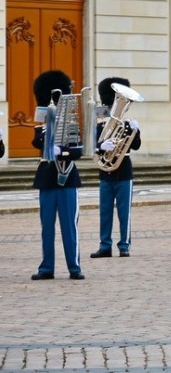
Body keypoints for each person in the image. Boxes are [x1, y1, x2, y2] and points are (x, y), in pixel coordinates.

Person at [31, 70, 85, 280]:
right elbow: (36, 142)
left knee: (69, 226)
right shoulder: (41, 128)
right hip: (47, 178)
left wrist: (60, 151)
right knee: (47, 228)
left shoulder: (71, 126)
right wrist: (48, 134)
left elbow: (77, 152)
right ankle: (46, 268)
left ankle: (74, 266)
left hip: (67, 177)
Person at [90, 77, 142, 259]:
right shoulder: (100, 123)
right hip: (106, 171)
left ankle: (124, 245)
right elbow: (92, 146)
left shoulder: (127, 124)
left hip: (124, 170)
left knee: (124, 212)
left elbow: (136, 146)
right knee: (105, 212)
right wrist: (100, 147)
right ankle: (105, 245)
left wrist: (136, 132)